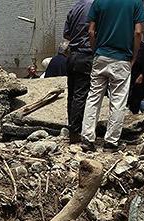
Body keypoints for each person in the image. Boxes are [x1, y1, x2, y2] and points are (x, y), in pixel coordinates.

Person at [80, 0, 144, 151]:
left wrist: (95, 50)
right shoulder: (135, 3)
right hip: (122, 58)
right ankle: (110, 142)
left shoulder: (99, 2)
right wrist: (134, 57)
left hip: (101, 56)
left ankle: (87, 138)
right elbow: (137, 32)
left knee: (93, 98)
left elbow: (90, 31)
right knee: (118, 101)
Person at [63, 0, 94, 143]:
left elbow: (66, 34)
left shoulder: (74, 8)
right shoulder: (95, 6)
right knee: (82, 95)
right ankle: (77, 131)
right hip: (86, 54)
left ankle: (72, 128)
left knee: (72, 94)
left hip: (72, 55)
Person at [127, 41, 144, 114]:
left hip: (137, 78)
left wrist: (142, 75)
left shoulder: (141, 46)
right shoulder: (127, 43)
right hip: (128, 76)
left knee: (135, 102)